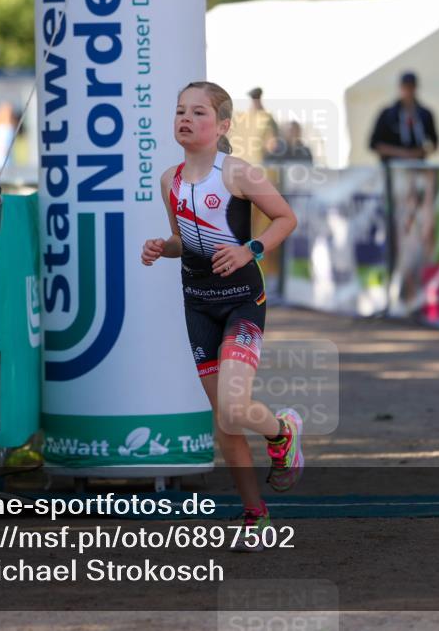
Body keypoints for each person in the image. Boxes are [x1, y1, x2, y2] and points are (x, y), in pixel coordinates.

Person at [141, 82, 301, 549]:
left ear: (223, 125)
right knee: (226, 421)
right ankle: (255, 514)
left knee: (234, 407)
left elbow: (286, 218)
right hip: (198, 304)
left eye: (199, 113)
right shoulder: (169, 180)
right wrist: (162, 247)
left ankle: (282, 431)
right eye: (180, 111)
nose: (185, 119)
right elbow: (183, 241)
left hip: (241, 302)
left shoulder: (238, 173)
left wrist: (250, 249)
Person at [369, 71, 439, 161]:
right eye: (406, 87)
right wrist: (402, 153)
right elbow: (374, 144)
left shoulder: (425, 114)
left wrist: (420, 152)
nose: (408, 91)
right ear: (400, 88)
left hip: (417, 164)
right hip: (393, 164)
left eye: (411, 87)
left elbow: (434, 144)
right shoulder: (387, 114)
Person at [229, 87, 279, 166]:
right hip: (257, 166)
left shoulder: (238, 118)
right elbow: (272, 145)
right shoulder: (267, 118)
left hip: (236, 165)